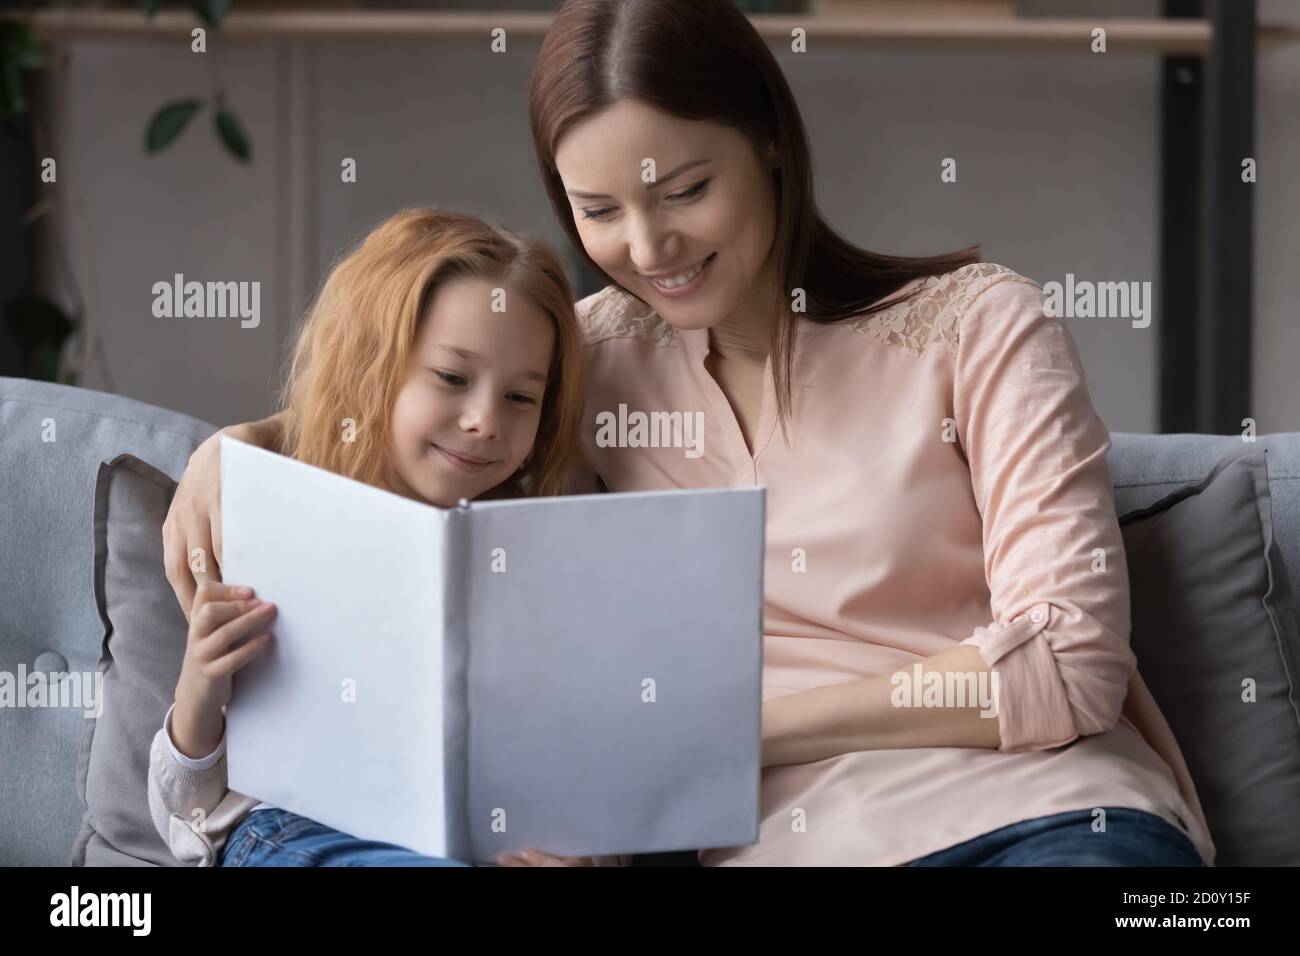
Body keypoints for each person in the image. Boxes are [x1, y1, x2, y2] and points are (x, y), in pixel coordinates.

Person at [163, 0, 1213, 867]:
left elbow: (1070, 660)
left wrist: (730, 729)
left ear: (767, 141)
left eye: (687, 191)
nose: (649, 246)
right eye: (599, 210)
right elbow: (417, 405)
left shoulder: (981, 326)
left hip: (1046, 817)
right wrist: (234, 447)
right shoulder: (595, 352)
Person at [149, 208, 598, 867]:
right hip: (302, 837)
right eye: (452, 378)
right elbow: (184, 817)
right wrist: (201, 688)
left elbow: (578, 772)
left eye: (521, 398)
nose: (484, 420)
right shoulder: (278, 517)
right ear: (373, 367)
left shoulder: (536, 551)